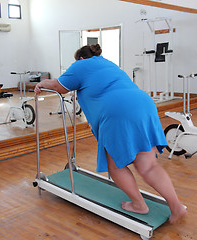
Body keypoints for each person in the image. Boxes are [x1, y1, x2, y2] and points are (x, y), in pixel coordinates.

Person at [34, 44, 186, 224]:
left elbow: (59, 86)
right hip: (145, 104)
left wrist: (42, 83)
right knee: (148, 166)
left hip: (117, 111)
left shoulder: (81, 65)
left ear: (80, 58)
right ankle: (176, 206)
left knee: (115, 166)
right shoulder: (109, 64)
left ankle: (139, 205)